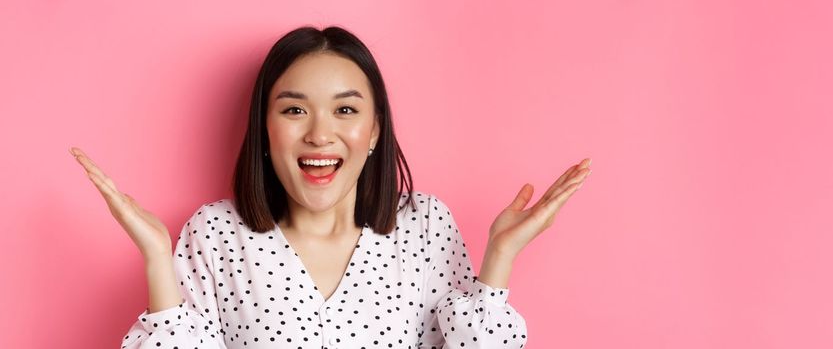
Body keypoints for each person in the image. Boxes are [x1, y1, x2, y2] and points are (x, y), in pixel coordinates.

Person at [71, 25, 591, 349]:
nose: (319, 133)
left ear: (374, 132)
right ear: (265, 131)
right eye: (294, 109)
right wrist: (157, 259)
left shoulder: (426, 227)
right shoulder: (216, 235)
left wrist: (498, 259)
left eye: (345, 110)